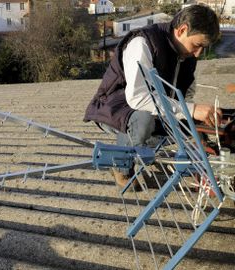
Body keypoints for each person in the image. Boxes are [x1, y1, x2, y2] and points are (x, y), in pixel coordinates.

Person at [83, 4, 222, 187]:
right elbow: (137, 98)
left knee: (193, 121)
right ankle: (121, 166)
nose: (198, 53)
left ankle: (143, 146)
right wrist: (192, 110)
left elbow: (186, 92)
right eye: (197, 45)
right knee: (144, 120)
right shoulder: (143, 43)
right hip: (116, 106)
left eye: (203, 48)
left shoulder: (186, 54)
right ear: (182, 30)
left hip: (154, 104)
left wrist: (192, 116)